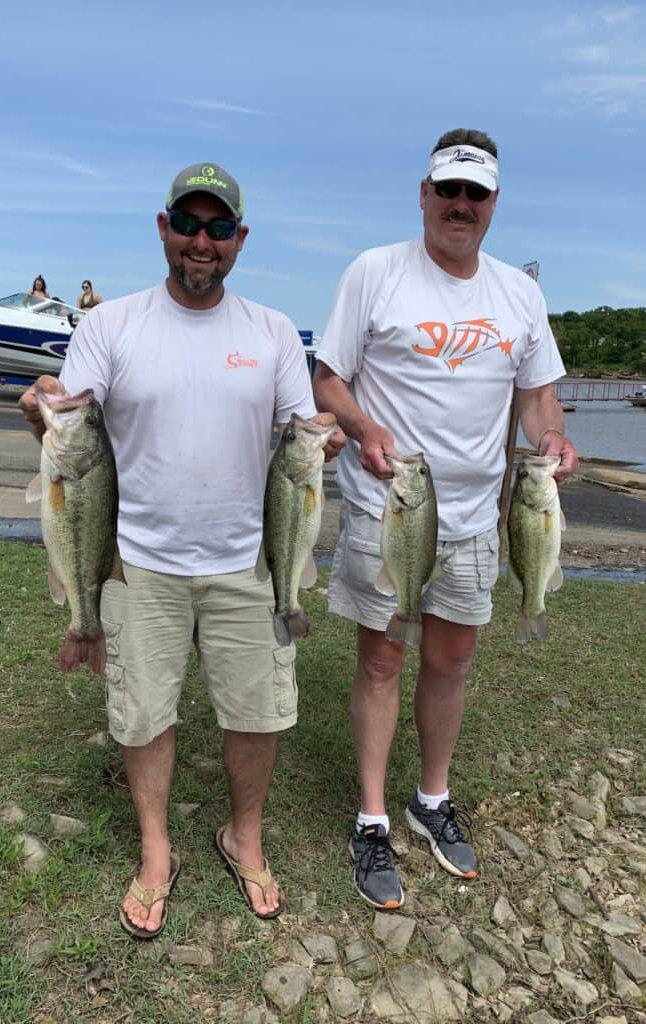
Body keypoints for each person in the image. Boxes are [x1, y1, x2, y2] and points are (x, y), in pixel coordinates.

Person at [19, 161, 344, 938]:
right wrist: (43, 408)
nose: (203, 242)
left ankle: (245, 835)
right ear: (163, 229)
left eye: (219, 228)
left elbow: (301, 431)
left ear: (239, 240)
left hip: (247, 561)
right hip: (136, 560)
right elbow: (71, 416)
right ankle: (157, 851)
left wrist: (323, 445)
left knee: (256, 712)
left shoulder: (269, 332)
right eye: (189, 225)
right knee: (142, 714)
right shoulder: (111, 325)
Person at [313, 128, 578, 910]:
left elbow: (535, 395)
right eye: (448, 190)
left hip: (473, 515)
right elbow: (329, 378)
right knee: (383, 658)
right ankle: (369, 819)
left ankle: (430, 799)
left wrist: (551, 434)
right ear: (423, 194)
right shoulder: (374, 272)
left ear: (492, 204)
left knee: (453, 660)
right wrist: (363, 430)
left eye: (476, 194)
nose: (460, 206)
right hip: (389, 503)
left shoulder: (517, 294)